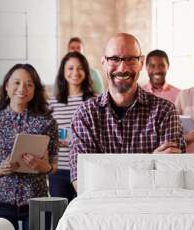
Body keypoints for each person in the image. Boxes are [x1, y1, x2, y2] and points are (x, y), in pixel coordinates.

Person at [69, 33, 186, 189]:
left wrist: (106, 174)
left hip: (152, 211)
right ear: (104, 63)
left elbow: (170, 181)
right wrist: (150, 162)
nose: (122, 68)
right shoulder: (85, 115)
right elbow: (83, 183)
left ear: (141, 62)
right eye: (114, 59)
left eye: (130, 59)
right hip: (101, 212)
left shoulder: (165, 112)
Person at [0, 63, 58, 230]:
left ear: (35, 89)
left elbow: (53, 166)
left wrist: (43, 167)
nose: (23, 88)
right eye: (17, 82)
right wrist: (2, 169)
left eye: (29, 84)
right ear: (6, 86)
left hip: (37, 201)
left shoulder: (47, 123)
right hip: (0, 202)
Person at [48, 52, 95, 201]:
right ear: (63, 72)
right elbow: (46, 135)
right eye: (70, 68)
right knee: (60, 216)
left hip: (87, 169)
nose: (75, 72)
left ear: (86, 72)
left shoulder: (95, 101)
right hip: (59, 169)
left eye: (80, 68)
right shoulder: (52, 103)